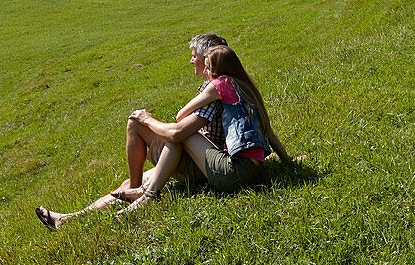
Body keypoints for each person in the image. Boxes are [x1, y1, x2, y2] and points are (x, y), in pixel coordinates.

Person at [35, 33, 228, 229]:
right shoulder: (213, 86)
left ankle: (136, 193)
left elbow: (178, 132)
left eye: (194, 55)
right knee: (128, 181)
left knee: (136, 123)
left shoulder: (214, 91)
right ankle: (69, 219)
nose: (191, 60)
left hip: (200, 165)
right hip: (194, 156)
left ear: (207, 60)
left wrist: (148, 120)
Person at [119, 45, 293, 213]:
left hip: (232, 174)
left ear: (218, 70)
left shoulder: (221, 83)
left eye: (208, 68)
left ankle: (150, 195)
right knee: (181, 134)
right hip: (251, 171)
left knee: (182, 134)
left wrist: (147, 119)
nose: (205, 72)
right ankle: (146, 191)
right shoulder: (248, 90)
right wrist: (289, 163)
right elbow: (269, 133)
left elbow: (181, 115)